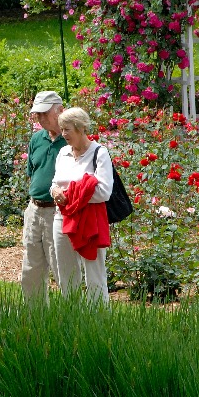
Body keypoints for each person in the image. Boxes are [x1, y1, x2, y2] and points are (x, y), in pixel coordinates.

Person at [50, 107, 113, 304]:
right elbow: (55, 182)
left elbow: (103, 192)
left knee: (95, 274)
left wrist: (68, 195)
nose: (63, 134)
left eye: (67, 129)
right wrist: (55, 192)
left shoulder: (99, 153)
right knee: (66, 273)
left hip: (90, 219)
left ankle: (99, 320)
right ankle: (72, 316)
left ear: (81, 128)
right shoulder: (63, 153)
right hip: (63, 218)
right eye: (62, 129)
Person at [21, 90, 66, 303]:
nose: (40, 118)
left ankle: (74, 316)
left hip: (57, 212)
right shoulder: (37, 139)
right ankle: (34, 318)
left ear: (60, 111)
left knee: (61, 268)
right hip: (34, 210)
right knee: (31, 269)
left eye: (44, 113)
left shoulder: (70, 140)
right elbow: (33, 171)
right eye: (37, 114)